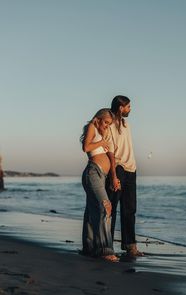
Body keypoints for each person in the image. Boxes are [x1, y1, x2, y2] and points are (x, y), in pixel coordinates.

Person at [106, 95, 144, 257]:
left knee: (130, 209)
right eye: (128, 106)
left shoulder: (126, 124)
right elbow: (111, 152)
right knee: (112, 208)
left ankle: (130, 245)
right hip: (118, 168)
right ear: (121, 108)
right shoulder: (109, 126)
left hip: (131, 169)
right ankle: (107, 246)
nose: (130, 109)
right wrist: (113, 175)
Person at [80, 108, 119, 262]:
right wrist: (102, 142)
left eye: (109, 124)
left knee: (92, 212)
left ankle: (89, 248)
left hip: (100, 176)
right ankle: (104, 250)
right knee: (105, 207)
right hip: (93, 173)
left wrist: (113, 176)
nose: (107, 126)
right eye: (106, 122)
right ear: (98, 118)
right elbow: (86, 147)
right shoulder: (92, 126)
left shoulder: (102, 133)